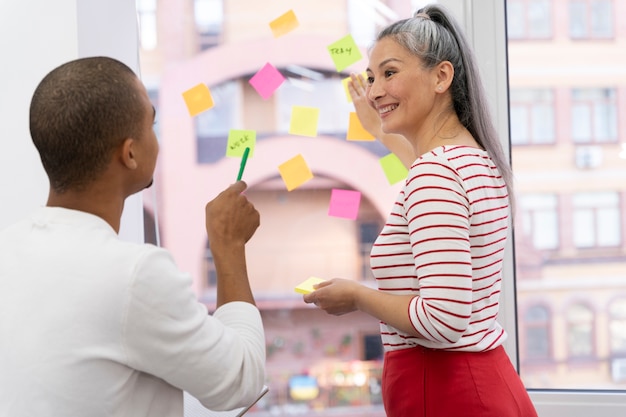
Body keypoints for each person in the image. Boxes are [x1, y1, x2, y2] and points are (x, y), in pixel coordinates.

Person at [303, 4, 537, 417]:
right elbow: (429, 182)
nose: (374, 91)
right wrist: (379, 130)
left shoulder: (437, 172)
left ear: (441, 76)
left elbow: (442, 319)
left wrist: (357, 295)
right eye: (372, 78)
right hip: (481, 383)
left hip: (446, 389)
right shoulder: (473, 160)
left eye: (389, 73)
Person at [0, 56, 265, 417]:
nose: (156, 139)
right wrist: (228, 245)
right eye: (151, 125)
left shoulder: (8, 250)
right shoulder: (134, 274)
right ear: (130, 153)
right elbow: (240, 381)